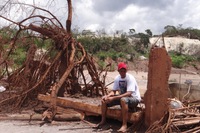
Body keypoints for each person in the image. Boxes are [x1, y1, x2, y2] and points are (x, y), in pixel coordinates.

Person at [95, 62, 141, 132]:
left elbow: (129, 93)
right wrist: (108, 96)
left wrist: (113, 98)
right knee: (104, 101)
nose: (123, 72)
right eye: (121, 71)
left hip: (134, 99)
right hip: (123, 98)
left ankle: (124, 125)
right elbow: (114, 91)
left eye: (124, 71)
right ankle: (103, 121)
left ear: (126, 70)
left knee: (123, 100)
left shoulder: (130, 78)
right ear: (118, 71)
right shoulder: (117, 78)